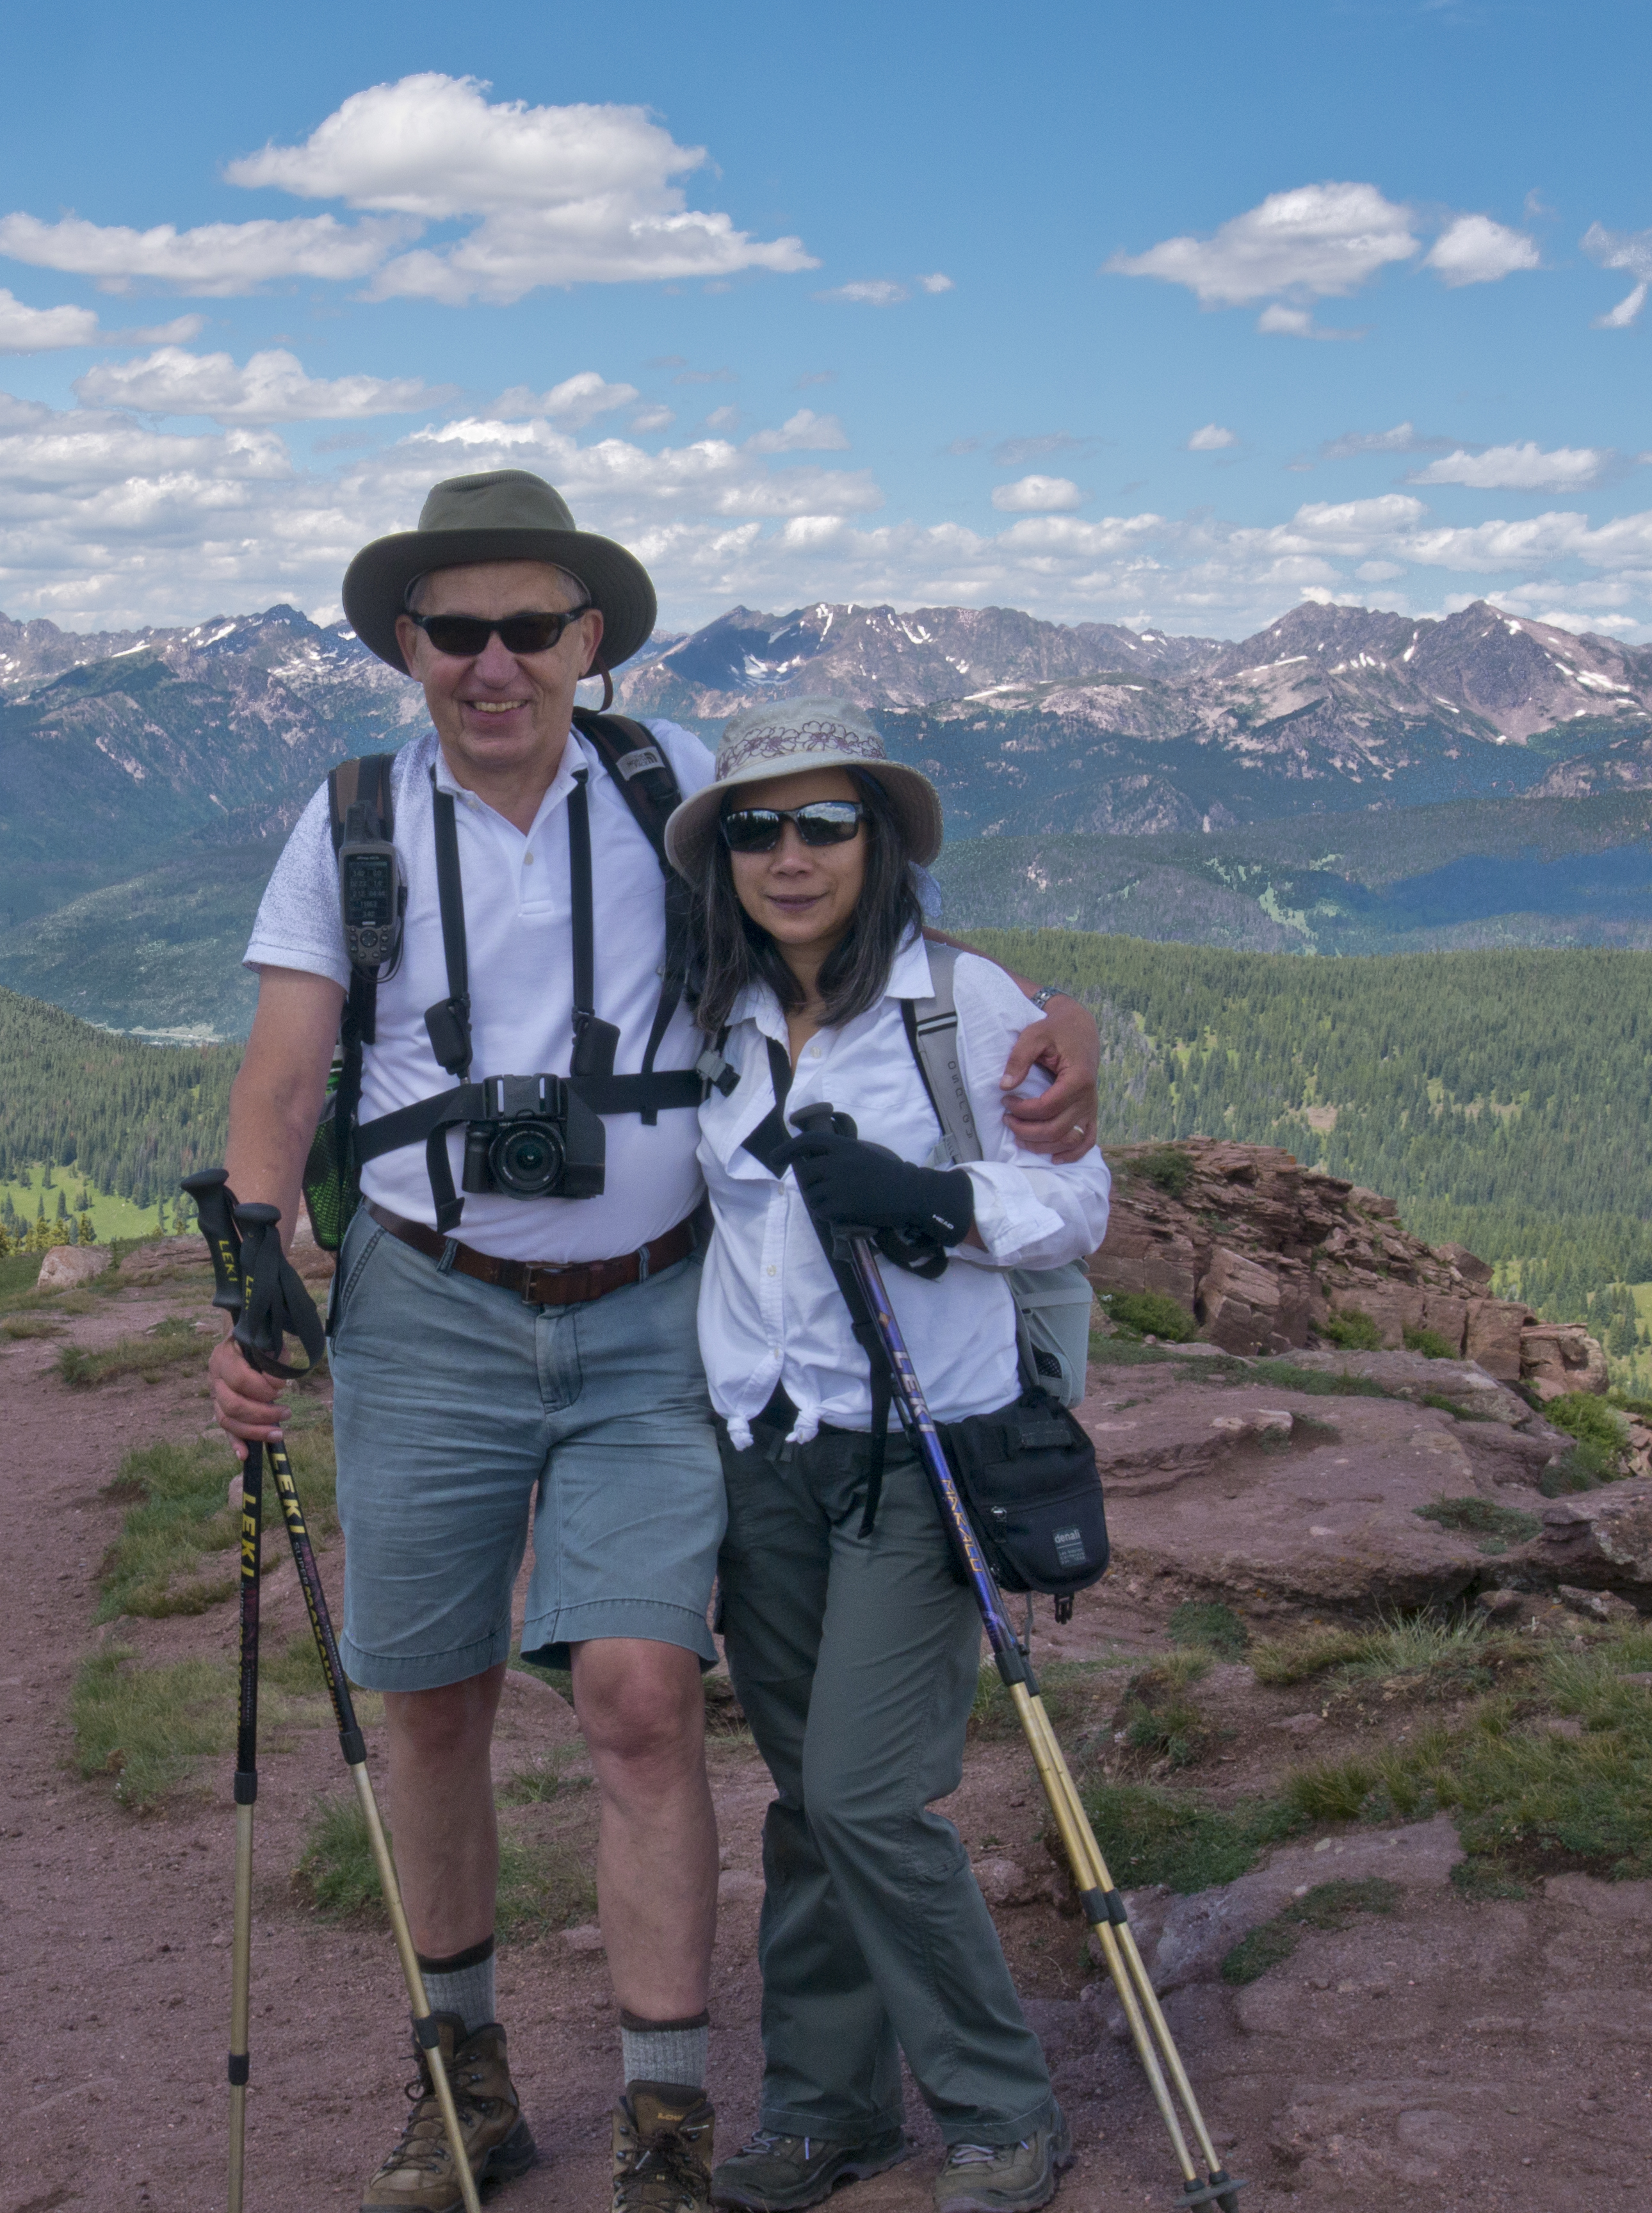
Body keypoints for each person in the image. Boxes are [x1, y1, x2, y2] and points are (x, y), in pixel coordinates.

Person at [209, 471, 1103, 2213]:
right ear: (407, 645)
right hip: (427, 1301)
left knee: (638, 1694)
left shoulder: (673, 783)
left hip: (649, 1314)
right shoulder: (352, 822)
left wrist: (1058, 1017)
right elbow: (285, 1069)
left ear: (589, 636)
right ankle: (464, 2082)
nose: (493, 663)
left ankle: (668, 2109)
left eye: (529, 628)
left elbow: (849, 903)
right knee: (430, 1704)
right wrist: (248, 1274)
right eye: (455, 631)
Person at [660, 699, 1110, 2213]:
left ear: (880, 842)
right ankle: (825, 2109)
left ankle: (1000, 2109)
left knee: (859, 1794)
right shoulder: (710, 1013)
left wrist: (932, 1200)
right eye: (756, 831)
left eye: (825, 825)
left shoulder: (962, 1006)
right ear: (725, 859)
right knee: (808, 1800)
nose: (789, 857)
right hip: (766, 1452)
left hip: (925, 1453)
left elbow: (1079, 1204)